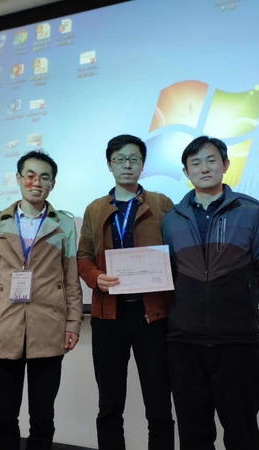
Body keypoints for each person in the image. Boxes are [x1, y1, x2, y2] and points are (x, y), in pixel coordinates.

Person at [162, 136, 259, 450]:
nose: (204, 168)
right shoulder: (172, 218)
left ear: (225, 165)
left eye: (211, 160)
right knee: (193, 434)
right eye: (195, 163)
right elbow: (169, 272)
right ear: (186, 172)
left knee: (241, 432)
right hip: (184, 343)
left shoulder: (250, 210)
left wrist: (242, 298)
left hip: (236, 341)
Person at [0, 151, 83, 450]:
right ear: (19, 179)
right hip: (4, 328)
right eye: (30, 176)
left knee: (43, 418)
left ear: (53, 184)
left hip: (49, 329)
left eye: (44, 177)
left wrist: (73, 324)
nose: (37, 182)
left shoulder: (64, 224)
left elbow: (72, 279)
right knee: (4, 416)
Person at [77, 134, 175, 450]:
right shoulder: (95, 209)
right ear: (110, 165)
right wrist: (96, 277)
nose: (127, 165)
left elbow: (176, 252)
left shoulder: (161, 204)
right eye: (120, 159)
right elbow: (83, 256)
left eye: (134, 159)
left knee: (159, 403)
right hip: (109, 316)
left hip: (152, 315)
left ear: (143, 164)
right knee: (109, 404)